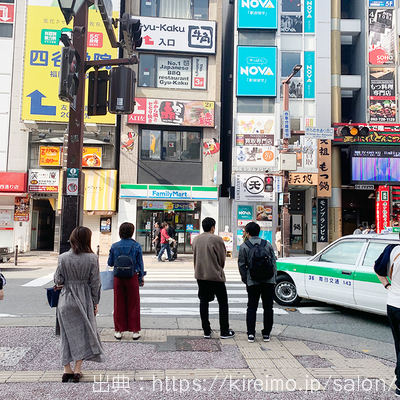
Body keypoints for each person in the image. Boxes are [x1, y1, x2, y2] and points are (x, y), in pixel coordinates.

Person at [54, 226, 105, 383]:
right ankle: (77, 371)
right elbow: (95, 283)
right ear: (87, 240)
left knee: (66, 335)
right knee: (82, 335)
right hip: (84, 299)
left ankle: (66, 370)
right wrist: (95, 302)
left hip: (66, 299)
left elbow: (58, 280)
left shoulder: (63, 258)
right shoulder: (92, 258)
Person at [192, 217, 235, 339]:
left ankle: (206, 330)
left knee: (203, 302)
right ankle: (224, 331)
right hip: (215, 276)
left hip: (200, 275)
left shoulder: (196, 239)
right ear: (212, 227)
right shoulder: (216, 239)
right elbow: (222, 258)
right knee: (223, 303)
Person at [238, 222, 277, 343]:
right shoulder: (267, 244)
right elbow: (274, 263)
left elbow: (241, 265)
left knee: (251, 307)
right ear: (259, 232)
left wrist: (246, 279)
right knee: (268, 307)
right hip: (268, 280)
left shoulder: (244, 246)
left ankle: (251, 334)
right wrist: (273, 278)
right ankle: (266, 334)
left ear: (248, 233)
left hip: (253, 281)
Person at [108, 222, 146, 341]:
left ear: (120, 232)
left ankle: (118, 330)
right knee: (133, 304)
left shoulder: (114, 246)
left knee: (119, 303)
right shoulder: (136, 245)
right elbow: (140, 263)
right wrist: (141, 277)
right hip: (132, 277)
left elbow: (110, 263)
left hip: (118, 278)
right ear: (132, 232)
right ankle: (135, 331)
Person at [376, 241, 400, 396]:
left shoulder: (392, 249)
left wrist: (387, 286)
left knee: (398, 345)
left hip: (393, 304)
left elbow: (377, 269)